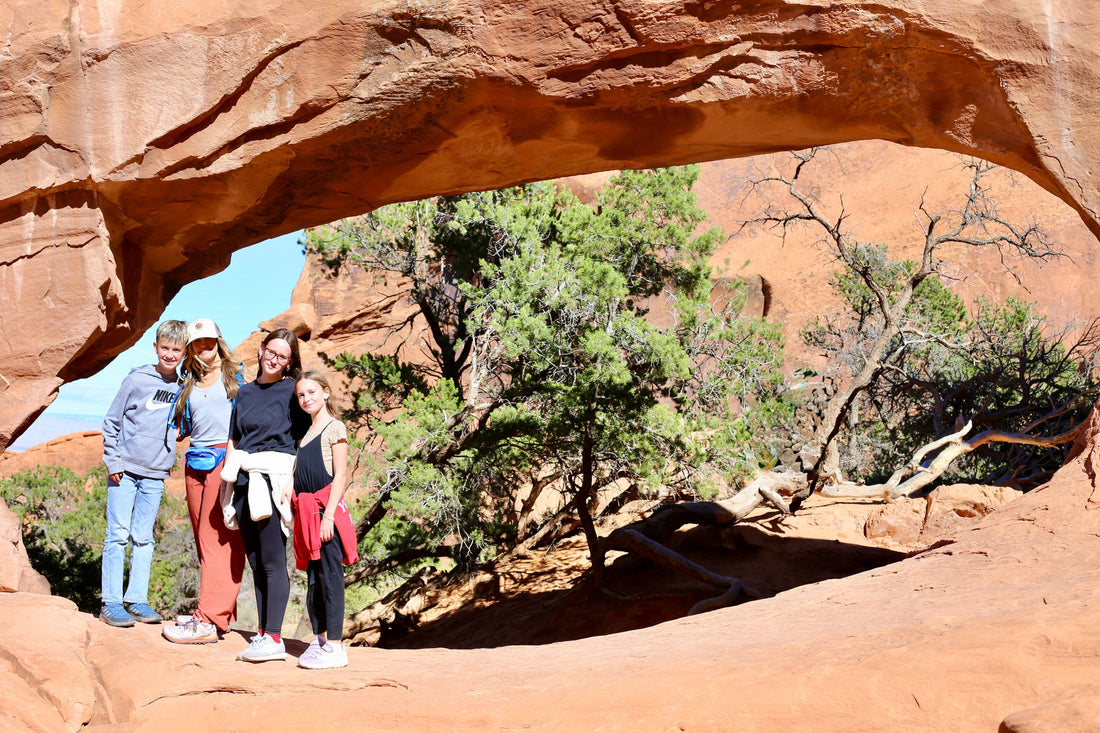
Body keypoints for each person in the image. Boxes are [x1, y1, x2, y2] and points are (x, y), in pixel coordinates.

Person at [221, 328, 309, 663]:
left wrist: (294, 480)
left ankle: (274, 637)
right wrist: (224, 486)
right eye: (272, 352)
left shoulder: (291, 392)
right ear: (261, 350)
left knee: (273, 561)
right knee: (255, 562)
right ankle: (262, 633)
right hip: (243, 479)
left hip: (274, 480)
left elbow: (304, 439)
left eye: (283, 357)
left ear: (289, 363)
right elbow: (235, 438)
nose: (275, 359)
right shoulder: (244, 394)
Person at [99, 319, 188, 628]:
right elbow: (111, 421)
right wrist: (113, 462)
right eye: (165, 347)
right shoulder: (137, 380)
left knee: (144, 538)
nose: (170, 354)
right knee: (118, 535)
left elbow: (182, 424)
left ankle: (137, 599)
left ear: (184, 352)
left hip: (155, 472)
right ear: (155, 347)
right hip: (125, 469)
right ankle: (111, 602)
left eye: (176, 349)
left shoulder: (182, 387)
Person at [162, 319, 247, 644]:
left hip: (224, 460)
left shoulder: (234, 376)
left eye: (208, 341)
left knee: (220, 538)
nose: (203, 347)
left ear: (218, 341)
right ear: (191, 347)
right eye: (197, 342)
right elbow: (183, 423)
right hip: (195, 460)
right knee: (202, 538)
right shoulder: (190, 379)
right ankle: (218, 613)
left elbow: (247, 418)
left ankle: (207, 619)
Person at [290, 371, 358, 670]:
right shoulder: (305, 434)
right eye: (301, 395)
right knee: (315, 581)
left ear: (326, 393)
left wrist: (328, 516)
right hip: (307, 514)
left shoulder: (335, 427)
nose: (306, 399)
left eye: (312, 392)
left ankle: (335, 647)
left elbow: (341, 475)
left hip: (325, 513)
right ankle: (319, 643)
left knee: (331, 579)